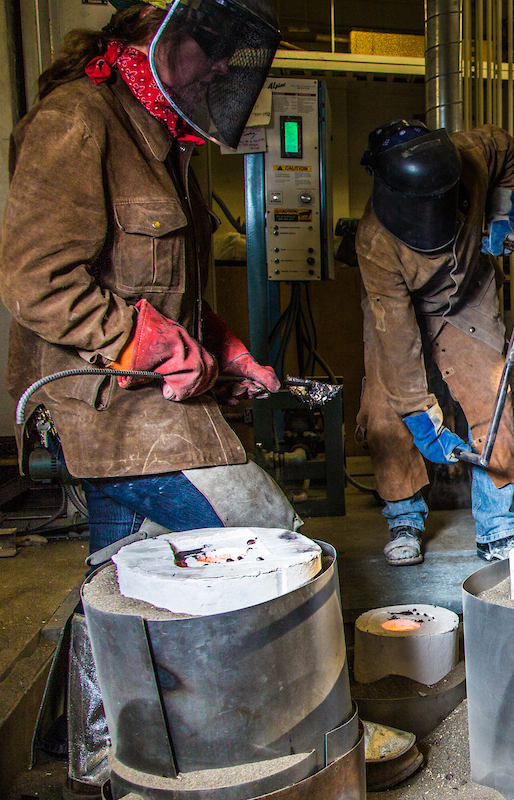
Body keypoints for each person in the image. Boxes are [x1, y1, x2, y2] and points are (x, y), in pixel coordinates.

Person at [0, 1, 294, 794]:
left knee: (121, 574)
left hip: (145, 401)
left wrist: (224, 348)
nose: (220, 71)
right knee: (269, 534)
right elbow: (37, 281)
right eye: (209, 50)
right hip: (102, 403)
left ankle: (97, 755)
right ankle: (268, 738)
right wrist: (152, 347)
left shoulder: (162, 141)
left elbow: (169, 290)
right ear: (151, 39)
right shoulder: (79, 120)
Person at [356, 120, 514, 565]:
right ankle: (404, 517)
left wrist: (502, 209)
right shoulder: (376, 242)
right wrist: (420, 418)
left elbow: (506, 148)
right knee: (385, 409)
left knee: (493, 396)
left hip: (469, 296)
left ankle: (498, 527)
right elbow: (397, 345)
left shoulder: (472, 153)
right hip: (402, 307)